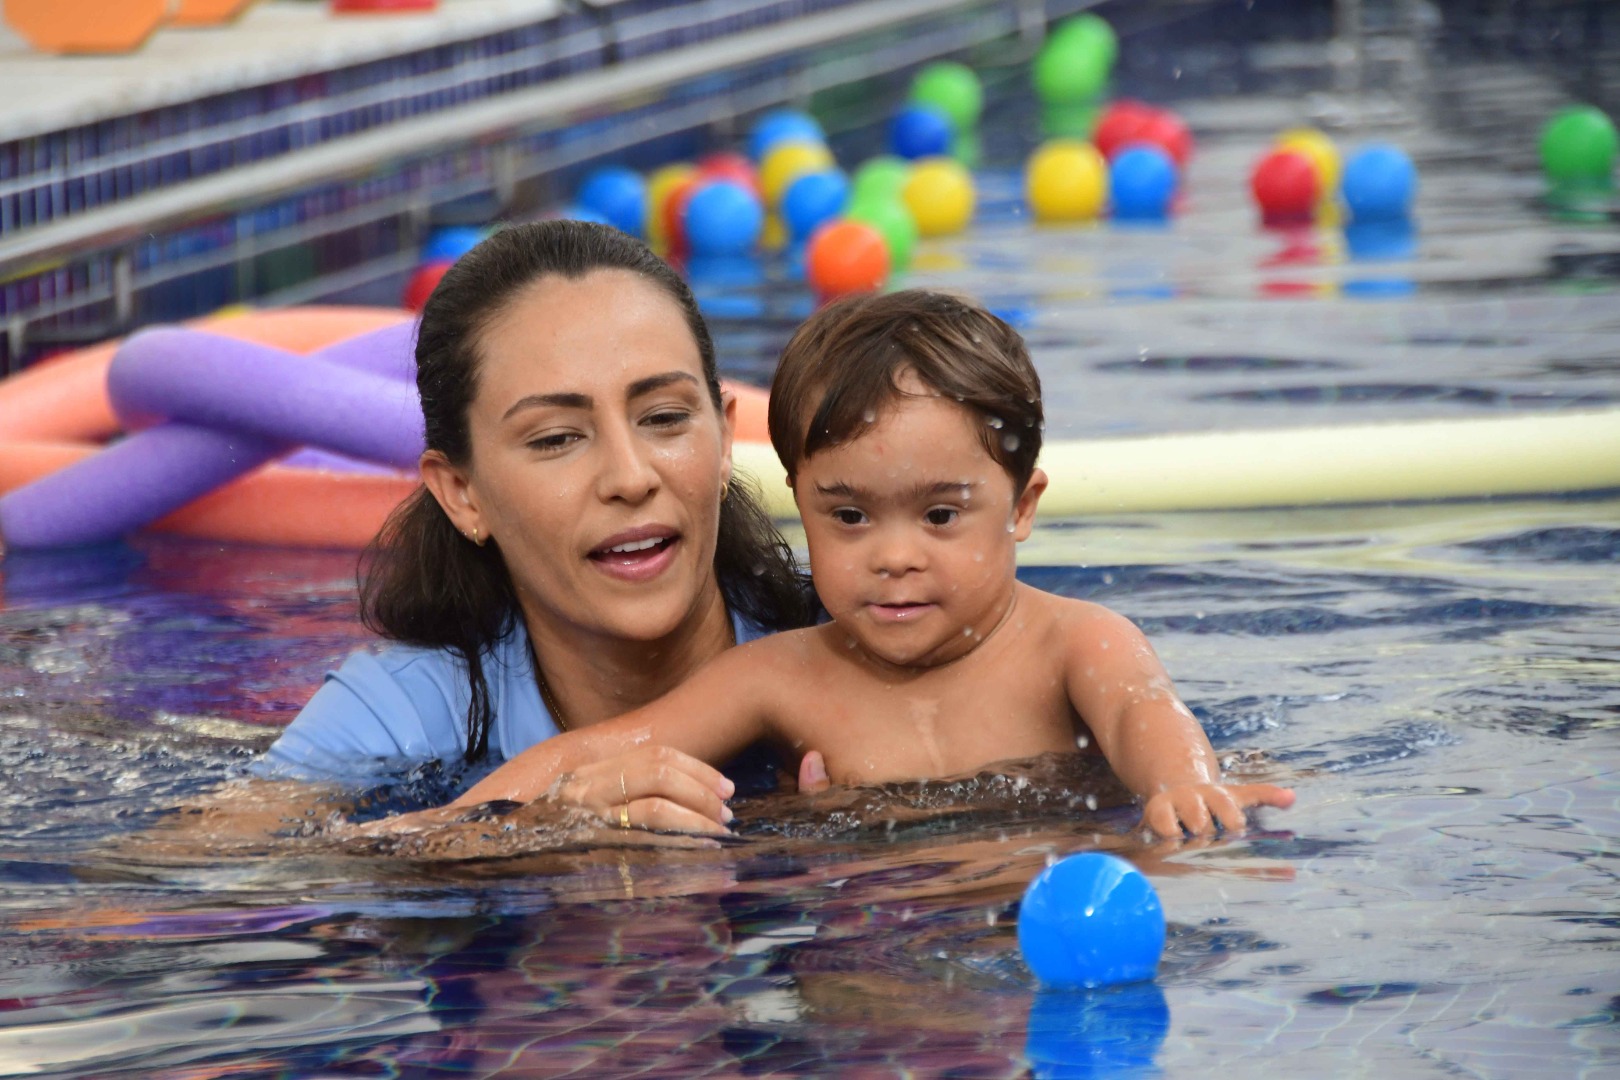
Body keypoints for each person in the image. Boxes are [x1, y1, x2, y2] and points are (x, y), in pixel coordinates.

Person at [447, 290, 1296, 837]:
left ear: (1022, 506)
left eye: (939, 515)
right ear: (799, 500)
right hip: (860, 951)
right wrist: (449, 826)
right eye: (848, 516)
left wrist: (1184, 787)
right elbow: (597, 750)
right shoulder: (778, 677)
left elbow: (1144, 711)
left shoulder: (1073, 643)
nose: (893, 557)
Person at [252, 220, 814, 835]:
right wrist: (528, 831)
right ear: (462, 494)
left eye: (664, 417)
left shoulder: (862, 631)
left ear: (727, 435)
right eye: (556, 438)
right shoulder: (414, 707)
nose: (629, 477)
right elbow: (206, 875)